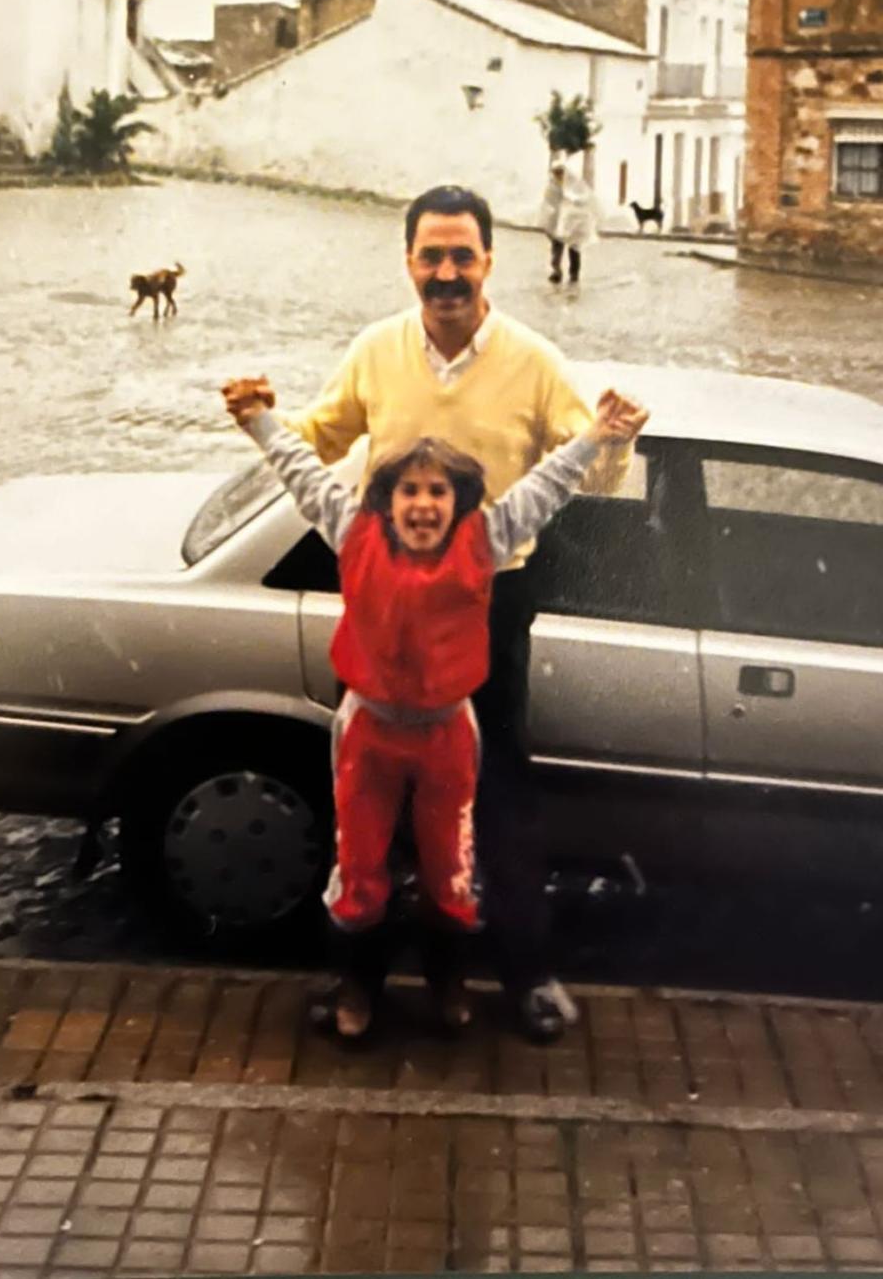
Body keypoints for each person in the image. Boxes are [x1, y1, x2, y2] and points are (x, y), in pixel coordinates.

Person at [223, 183, 646, 1040]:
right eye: (432, 256)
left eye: (463, 256)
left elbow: (593, 473)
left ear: (490, 260)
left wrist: (619, 435)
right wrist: (261, 415)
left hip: (490, 599)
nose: (447, 274)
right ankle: (365, 986)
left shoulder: (533, 359)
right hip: (384, 609)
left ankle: (523, 975)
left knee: (497, 796)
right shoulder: (377, 350)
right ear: (410, 261)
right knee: (372, 813)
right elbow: (323, 439)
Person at [539, 153, 600, 285]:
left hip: (573, 223)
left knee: (574, 248)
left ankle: (574, 273)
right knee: (556, 248)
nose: (558, 175)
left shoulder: (575, 184)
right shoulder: (552, 186)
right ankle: (556, 272)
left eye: (560, 172)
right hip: (557, 222)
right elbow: (548, 202)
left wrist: (573, 205)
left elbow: (584, 198)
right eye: (556, 172)